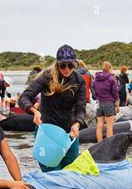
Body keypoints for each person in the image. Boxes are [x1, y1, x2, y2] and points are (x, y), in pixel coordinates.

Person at [19, 44, 86, 172]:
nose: (67, 69)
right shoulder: (46, 77)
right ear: (57, 64)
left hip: (69, 133)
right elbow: (24, 97)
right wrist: (34, 111)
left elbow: (81, 107)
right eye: (63, 65)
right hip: (47, 133)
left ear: (75, 65)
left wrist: (77, 123)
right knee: (51, 173)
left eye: (70, 65)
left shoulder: (79, 80)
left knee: (70, 172)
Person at [93, 61, 119, 142]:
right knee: (109, 126)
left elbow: (94, 91)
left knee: (99, 126)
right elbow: (115, 91)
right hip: (109, 102)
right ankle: (109, 145)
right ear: (110, 68)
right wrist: (117, 102)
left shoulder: (96, 79)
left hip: (99, 103)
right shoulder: (112, 78)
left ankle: (99, 144)